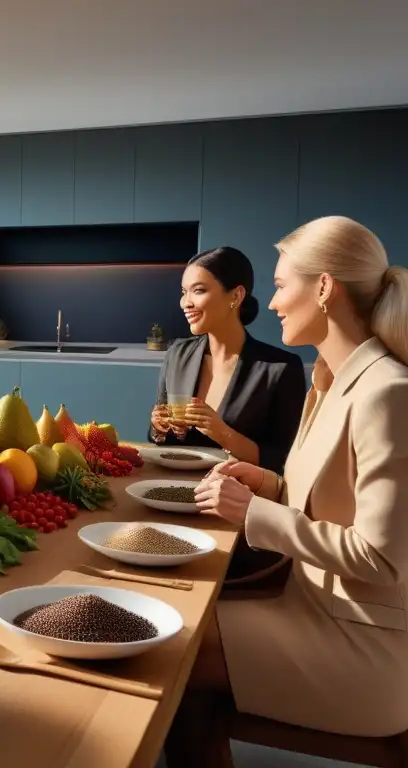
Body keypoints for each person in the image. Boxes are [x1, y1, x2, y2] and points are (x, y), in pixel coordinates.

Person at [167, 216, 408, 766]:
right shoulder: (328, 380)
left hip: (358, 645)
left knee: (168, 652)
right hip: (306, 607)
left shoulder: (387, 394)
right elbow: (330, 495)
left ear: (323, 288)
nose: (272, 304)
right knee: (178, 633)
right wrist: (271, 485)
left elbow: (381, 559)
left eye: (280, 286)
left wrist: (255, 513)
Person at [149, 246, 307, 474]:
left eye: (198, 291)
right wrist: (158, 427)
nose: (186, 303)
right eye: (184, 292)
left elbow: (283, 459)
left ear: (235, 296)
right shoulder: (177, 353)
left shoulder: (280, 368)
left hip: (234, 497)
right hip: (171, 486)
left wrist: (223, 433)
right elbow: (158, 438)